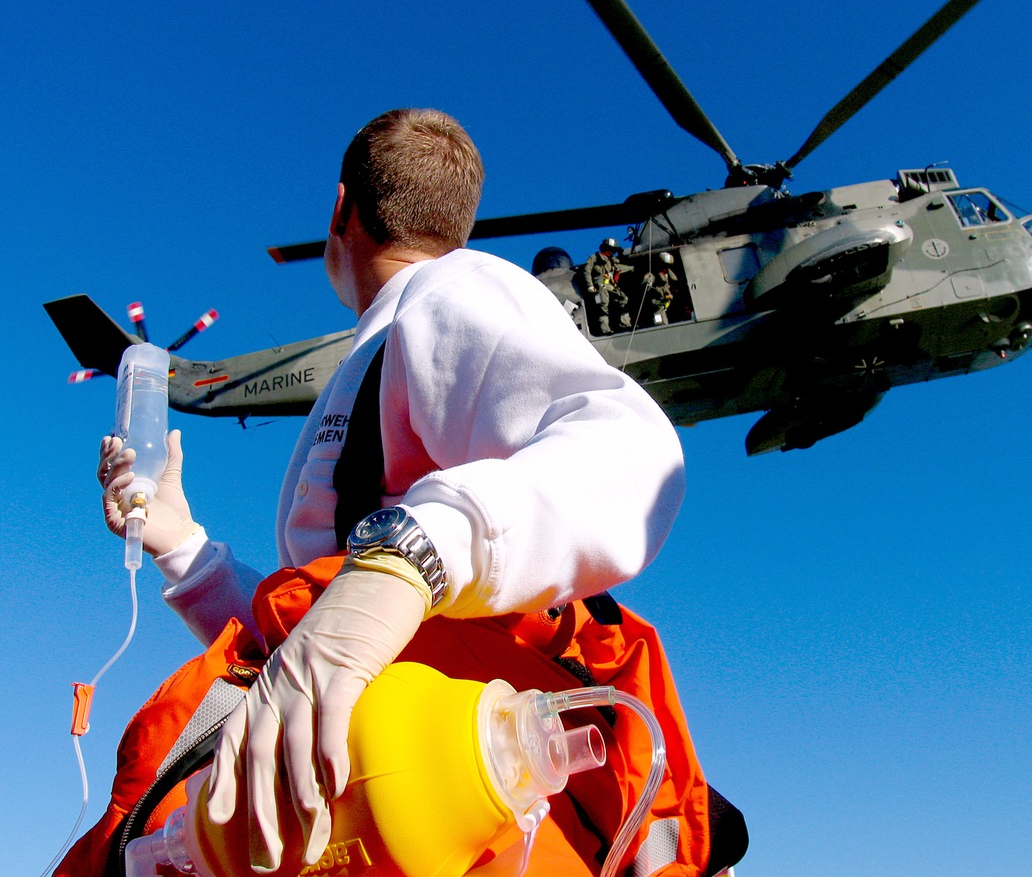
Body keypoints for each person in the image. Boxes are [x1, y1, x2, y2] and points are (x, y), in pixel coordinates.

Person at [98, 109, 685, 873]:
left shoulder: (454, 291)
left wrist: (408, 559)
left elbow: (628, 450)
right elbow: (319, 643)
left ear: (341, 209)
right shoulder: (388, 342)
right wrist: (184, 548)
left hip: (458, 805)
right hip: (380, 806)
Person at [582, 237, 632, 333]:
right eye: (611, 249)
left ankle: (624, 323)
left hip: (609, 285)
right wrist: (590, 285)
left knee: (623, 298)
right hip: (599, 286)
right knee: (603, 305)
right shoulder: (594, 258)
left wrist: (632, 268)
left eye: (613, 250)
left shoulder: (611, 261)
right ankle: (605, 329)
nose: (612, 252)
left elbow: (620, 268)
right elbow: (587, 271)